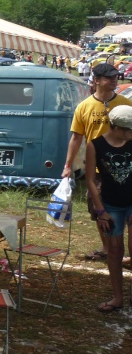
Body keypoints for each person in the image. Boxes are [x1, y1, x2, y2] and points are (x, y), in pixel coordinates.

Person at [62, 62, 132, 261]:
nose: (114, 80)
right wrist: (68, 166)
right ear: (97, 80)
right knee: (98, 207)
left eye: (116, 77)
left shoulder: (126, 104)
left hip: (124, 167)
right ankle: (108, 248)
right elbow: (76, 138)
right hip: (98, 170)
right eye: (109, 78)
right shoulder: (84, 107)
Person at [86, 105, 132, 312]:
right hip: (111, 205)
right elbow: (90, 180)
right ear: (118, 128)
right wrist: (100, 210)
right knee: (114, 251)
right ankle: (117, 298)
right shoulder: (95, 145)